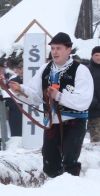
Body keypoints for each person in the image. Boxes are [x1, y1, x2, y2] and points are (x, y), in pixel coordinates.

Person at [9, 32, 93, 177]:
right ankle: (54, 192)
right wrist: (21, 90)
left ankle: (74, 191)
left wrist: (59, 96)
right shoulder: (45, 69)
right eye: (53, 48)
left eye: (58, 48)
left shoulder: (80, 70)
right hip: (51, 123)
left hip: (74, 121)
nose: (55, 52)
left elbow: (84, 100)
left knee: (69, 161)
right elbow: (35, 96)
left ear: (68, 50)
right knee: (50, 165)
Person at [4, 59, 24, 138]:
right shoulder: (13, 81)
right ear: (16, 70)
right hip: (16, 112)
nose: (22, 70)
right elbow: (7, 98)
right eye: (20, 68)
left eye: (23, 68)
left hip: (29, 111)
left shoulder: (32, 80)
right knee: (17, 136)